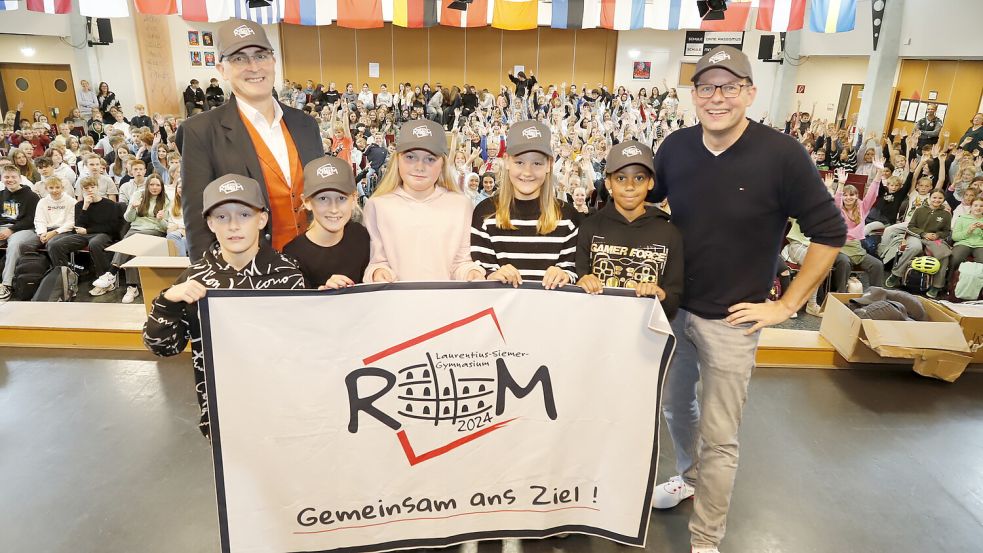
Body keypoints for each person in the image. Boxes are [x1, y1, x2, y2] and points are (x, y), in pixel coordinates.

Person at [648, 46, 845, 553]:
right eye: (707, 88)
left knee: (721, 434)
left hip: (733, 323)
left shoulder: (782, 156)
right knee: (675, 408)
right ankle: (688, 477)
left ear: (750, 93)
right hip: (675, 311)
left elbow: (829, 233)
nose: (717, 98)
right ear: (692, 95)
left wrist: (787, 305)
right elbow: (645, 210)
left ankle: (706, 538)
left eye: (729, 87)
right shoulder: (674, 147)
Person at [143, 174, 305, 439]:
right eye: (221, 217)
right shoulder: (194, 280)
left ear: (262, 219)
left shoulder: (288, 275)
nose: (233, 225)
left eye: (244, 214)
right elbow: (162, 347)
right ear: (209, 223)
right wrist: (167, 302)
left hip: (285, 412)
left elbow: (306, 345)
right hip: (223, 417)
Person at [178, 18, 323, 260]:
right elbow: (198, 222)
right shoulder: (200, 131)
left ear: (274, 61)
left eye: (260, 55)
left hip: (314, 266)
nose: (254, 67)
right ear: (222, 70)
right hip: (249, 273)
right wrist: (215, 285)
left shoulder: (305, 124)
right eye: (239, 59)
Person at [362, 119, 483, 283]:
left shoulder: (461, 205)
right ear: (397, 159)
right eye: (410, 157)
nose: (419, 167)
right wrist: (378, 273)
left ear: (442, 164)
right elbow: (376, 261)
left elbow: (461, 262)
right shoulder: (377, 205)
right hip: (395, 304)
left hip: (447, 304)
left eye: (430, 159)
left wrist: (472, 273)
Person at [575, 140, 683, 319]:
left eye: (639, 178)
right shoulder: (589, 227)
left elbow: (673, 300)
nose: (630, 186)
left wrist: (660, 295)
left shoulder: (669, 233)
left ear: (650, 183)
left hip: (645, 336)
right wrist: (583, 282)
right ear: (608, 182)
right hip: (595, 330)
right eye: (620, 178)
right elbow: (578, 279)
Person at [470, 120, 579, 289]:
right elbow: (480, 271)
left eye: (537, 163)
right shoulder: (485, 214)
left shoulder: (568, 217)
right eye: (519, 162)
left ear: (549, 165)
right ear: (506, 161)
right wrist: (492, 275)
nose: (527, 172)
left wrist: (564, 274)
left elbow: (575, 271)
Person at [283, 156, 369, 289]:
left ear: (354, 199)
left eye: (341, 198)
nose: (334, 209)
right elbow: (298, 305)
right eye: (323, 198)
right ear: (307, 202)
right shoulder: (293, 255)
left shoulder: (361, 236)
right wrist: (322, 295)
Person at [92, 174, 170, 303]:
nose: (154, 187)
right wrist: (133, 208)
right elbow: (128, 219)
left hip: (154, 231)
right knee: (134, 248)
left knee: (131, 240)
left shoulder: (166, 200)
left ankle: (112, 272)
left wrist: (161, 219)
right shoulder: (138, 194)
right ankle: (132, 287)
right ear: (147, 185)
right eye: (151, 184)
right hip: (135, 229)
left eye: (158, 185)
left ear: (162, 187)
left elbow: (165, 227)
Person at [46, 175, 121, 283]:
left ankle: (104, 279)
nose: (90, 190)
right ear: (82, 190)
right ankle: (64, 278)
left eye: (92, 187)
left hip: (103, 234)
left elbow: (112, 227)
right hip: (82, 235)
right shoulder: (80, 205)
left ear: (97, 187)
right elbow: (78, 225)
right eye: (86, 188)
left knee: (95, 243)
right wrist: (85, 207)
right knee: (55, 245)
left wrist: (88, 231)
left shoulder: (110, 204)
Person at [886, 190, 951, 298]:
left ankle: (937, 286)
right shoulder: (919, 210)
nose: (937, 200)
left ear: (943, 200)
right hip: (917, 236)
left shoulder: (946, 214)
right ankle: (896, 274)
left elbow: (946, 231)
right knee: (915, 248)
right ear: (930, 197)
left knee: (944, 255)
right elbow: (910, 227)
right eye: (934, 197)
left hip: (935, 239)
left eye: (940, 198)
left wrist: (938, 235)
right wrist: (923, 234)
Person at [830, 172, 885, 292]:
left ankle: (876, 296)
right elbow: (836, 202)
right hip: (839, 247)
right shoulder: (838, 210)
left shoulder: (862, 207)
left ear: (857, 196)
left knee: (877, 265)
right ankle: (841, 295)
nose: (848, 197)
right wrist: (841, 184)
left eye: (852, 195)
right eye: (845, 195)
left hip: (856, 246)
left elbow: (872, 194)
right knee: (844, 262)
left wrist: (879, 173)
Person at [0, 164, 42, 300]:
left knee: (15, 245)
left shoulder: (32, 196)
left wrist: (11, 230)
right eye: (6, 177)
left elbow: (31, 219)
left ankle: (7, 284)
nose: (10, 180)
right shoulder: (1, 195)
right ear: (2, 178)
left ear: (20, 178)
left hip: (25, 229)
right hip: (4, 227)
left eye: (13, 177)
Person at [33, 177, 76, 253]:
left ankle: (59, 265)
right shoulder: (42, 202)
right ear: (46, 189)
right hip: (46, 230)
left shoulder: (72, 201)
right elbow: (39, 220)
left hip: (64, 231)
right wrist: (42, 233)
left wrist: (54, 232)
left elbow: (71, 222)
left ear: (62, 188)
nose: (54, 190)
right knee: (25, 244)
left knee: (52, 244)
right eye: (51, 188)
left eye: (57, 187)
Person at [950, 198, 983, 279]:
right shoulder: (962, 218)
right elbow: (955, 237)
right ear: (971, 207)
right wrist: (968, 231)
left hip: (980, 245)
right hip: (963, 244)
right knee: (954, 259)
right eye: (975, 205)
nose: (978, 208)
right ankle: (946, 284)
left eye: (981, 206)